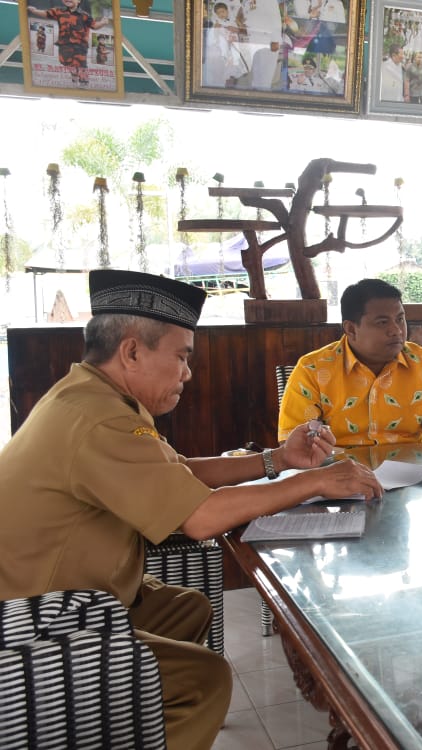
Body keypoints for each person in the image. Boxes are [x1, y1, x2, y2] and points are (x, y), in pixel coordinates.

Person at [0, 269, 383, 750]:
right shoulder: (96, 419)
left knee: (185, 609)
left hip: (82, 595)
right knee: (202, 681)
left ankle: (121, 721)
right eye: (181, 357)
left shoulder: (95, 397)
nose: (187, 372)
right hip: (32, 620)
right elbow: (200, 517)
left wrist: (277, 459)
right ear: (132, 351)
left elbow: (177, 472)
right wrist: (318, 479)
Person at [279, 278, 422, 447]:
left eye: (400, 319)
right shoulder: (312, 369)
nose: (396, 330)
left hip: (410, 474)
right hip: (337, 476)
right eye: (382, 322)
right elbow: (295, 445)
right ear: (351, 329)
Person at [25, 0, 111, 87]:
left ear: (79, 1)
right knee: (64, 61)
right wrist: (34, 11)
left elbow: (94, 26)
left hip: (80, 45)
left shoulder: (84, 15)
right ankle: (75, 74)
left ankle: (84, 82)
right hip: (64, 44)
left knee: (81, 63)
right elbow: (46, 13)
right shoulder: (59, 11)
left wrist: (103, 23)